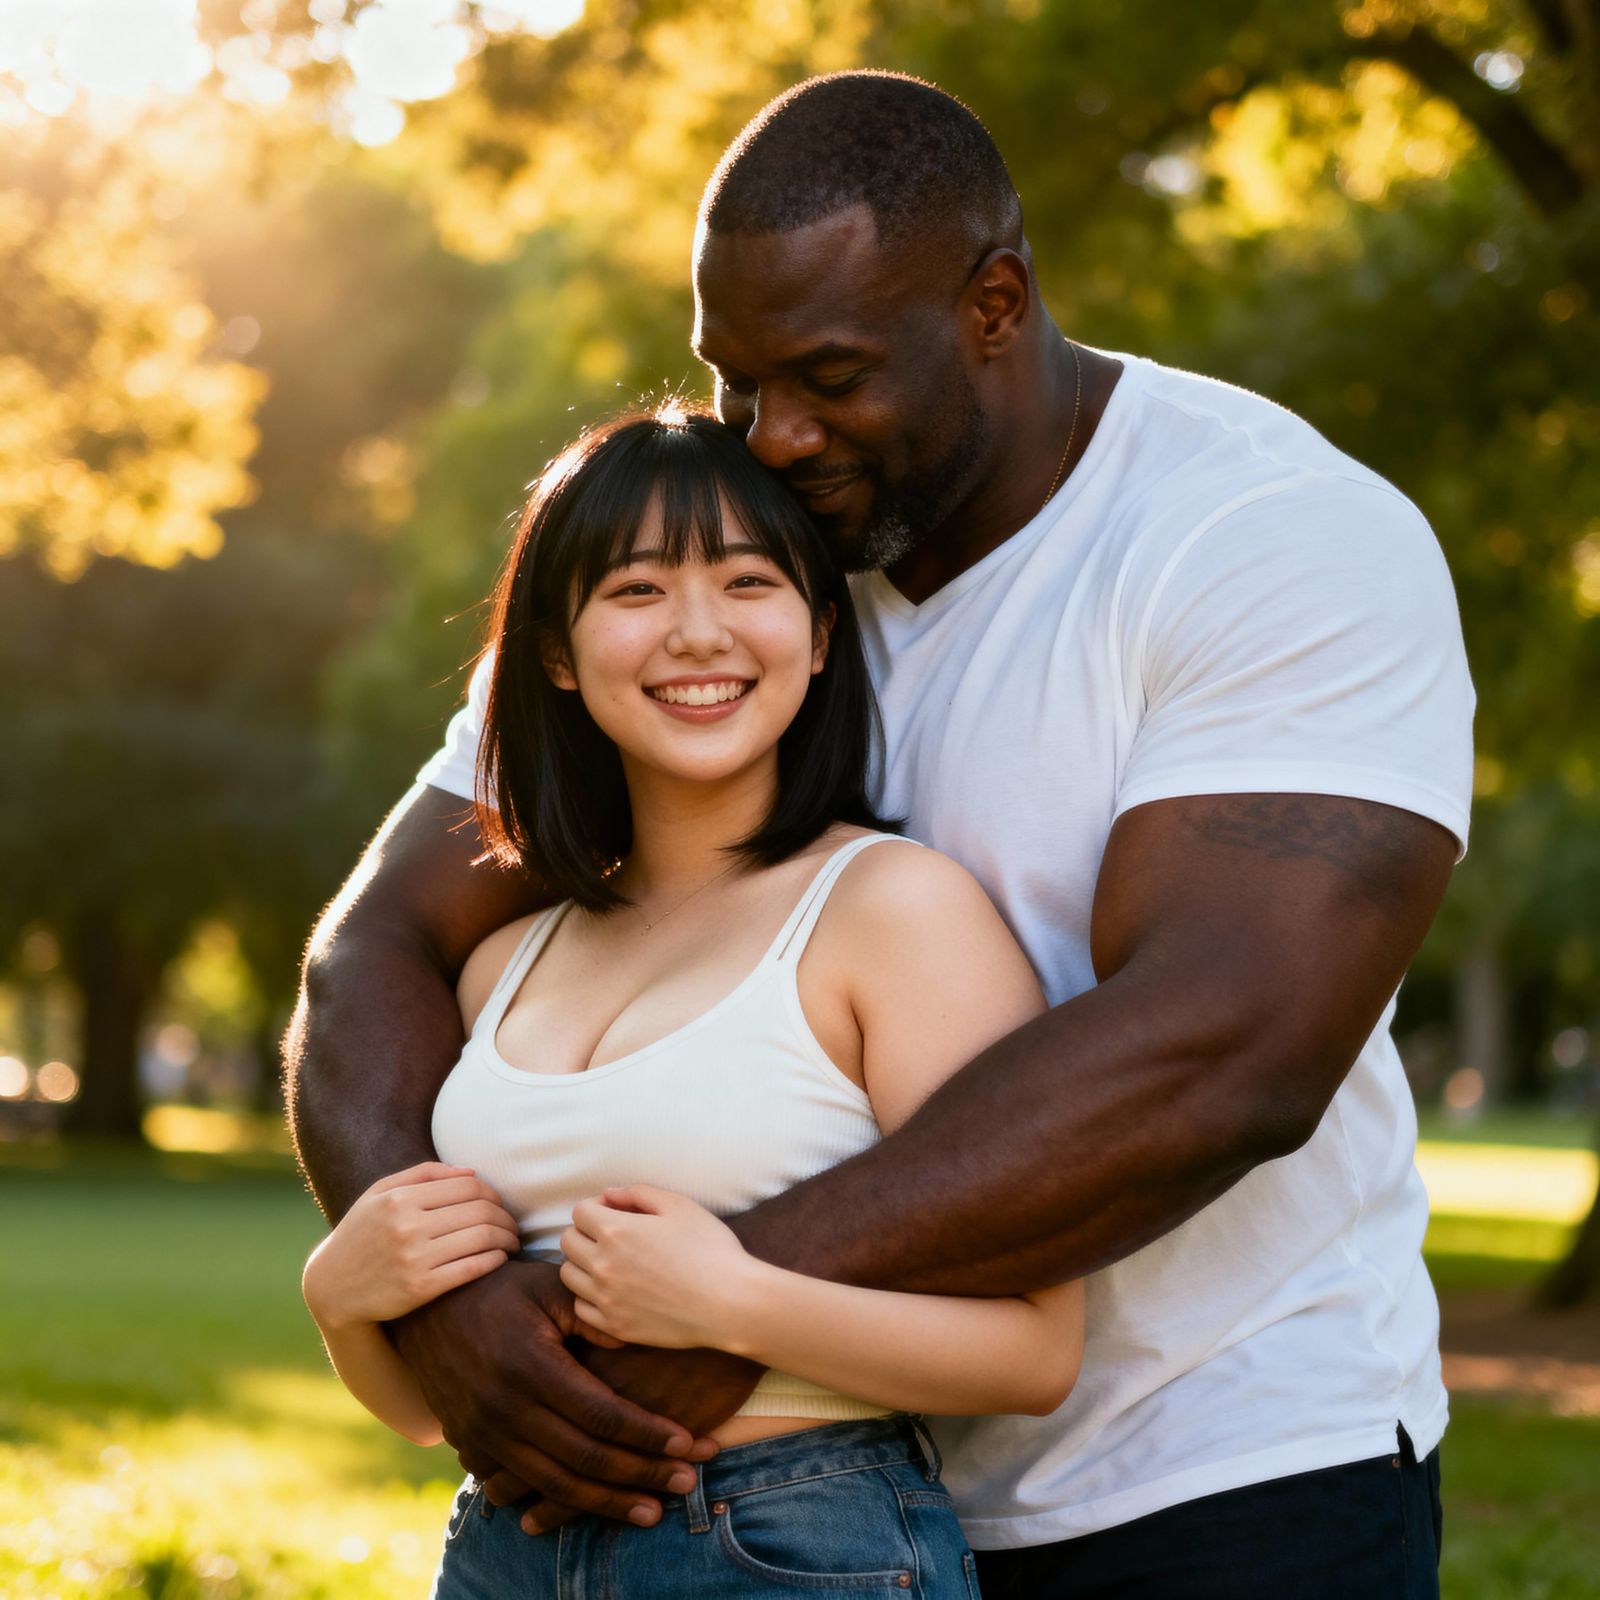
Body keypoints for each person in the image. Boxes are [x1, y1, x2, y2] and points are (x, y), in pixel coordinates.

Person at [285, 71, 1473, 1599]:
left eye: (830, 375)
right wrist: (433, 1292)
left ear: (994, 304)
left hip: (1218, 1477)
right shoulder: (742, 568)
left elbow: (1226, 1047)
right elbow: (381, 938)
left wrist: (728, 1303)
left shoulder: (1268, 537)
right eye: (735, 381)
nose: (772, 436)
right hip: (781, 1508)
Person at [298, 407, 1082, 1597]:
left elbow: (1034, 1347)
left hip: (789, 1546)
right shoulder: (501, 960)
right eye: (636, 590)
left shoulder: (893, 912)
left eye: (748, 581)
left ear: (820, 634)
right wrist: (343, 1300)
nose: (698, 632)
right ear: (555, 652)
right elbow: (424, 1408)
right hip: (501, 1553)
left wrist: (740, 1302)